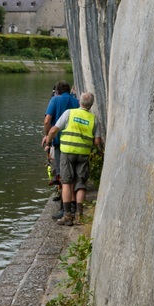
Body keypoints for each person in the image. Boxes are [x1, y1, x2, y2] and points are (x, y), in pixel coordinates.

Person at [45, 92, 102, 226]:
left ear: (80, 102)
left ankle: (67, 216)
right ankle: (79, 215)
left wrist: (48, 142)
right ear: (91, 104)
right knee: (80, 183)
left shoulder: (69, 113)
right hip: (83, 153)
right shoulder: (94, 119)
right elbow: (97, 141)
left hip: (67, 152)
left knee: (66, 182)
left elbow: (53, 130)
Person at [42, 81, 79, 218]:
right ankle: (75, 205)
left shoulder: (55, 100)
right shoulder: (76, 101)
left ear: (57, 90)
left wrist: (47, 137)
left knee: (63, 176)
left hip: (59, 142)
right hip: (75, 142)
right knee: (73, 175)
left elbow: (47, 121)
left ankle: (65, 209)